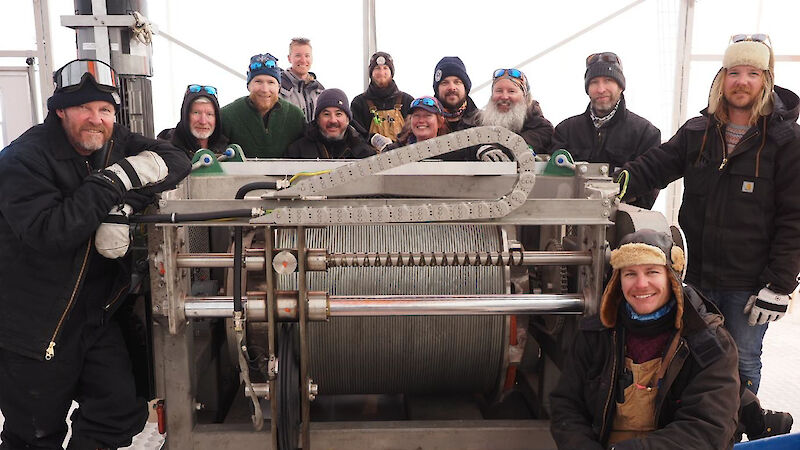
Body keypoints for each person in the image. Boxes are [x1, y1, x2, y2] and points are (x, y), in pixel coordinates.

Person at [0, 59, 191, 449]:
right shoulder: (22, 160)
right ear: (59, 110)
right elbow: (53, 233)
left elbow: (175, 159)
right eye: (84, 108)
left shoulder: (113, 140)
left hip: (93, 314)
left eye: (105, 109)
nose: (96, 119)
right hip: (35, 326)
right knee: (35, 434)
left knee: (119, 409)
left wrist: (125, 205)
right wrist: (113, 182)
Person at [618, 34, 800, 402]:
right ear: (722, 78)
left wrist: (779, 286)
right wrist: (612, 185)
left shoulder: (786, 141)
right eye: (734, 72)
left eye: (752, 73)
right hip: (696, 278)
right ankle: (695, 429)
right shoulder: (697, 132)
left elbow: (795, 218)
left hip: (749, 285)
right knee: (692, 356)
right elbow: (654, 166)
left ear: (766, 79)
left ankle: (731, 433)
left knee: (743, 362)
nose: (742, 81)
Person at [550, 229, 740, 449]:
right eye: (630, 273)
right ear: (617, 281)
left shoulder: (709, 342)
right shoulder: (595, 335)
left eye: (652, 272)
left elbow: (707, 428)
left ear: (672, 278)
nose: (641, 284)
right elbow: (566, 406)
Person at [550, 52, 660, 209]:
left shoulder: (646, 133)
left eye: (608, 81)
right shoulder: (565, 131)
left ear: (621, 86)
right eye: (594, 82)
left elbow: (650, 187)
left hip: (621, 222)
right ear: (587, 89)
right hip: (569, 218)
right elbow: (553, 181)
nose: (601, 89)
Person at [221, 53, 305, 158]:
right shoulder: (227, 116)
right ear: (248, 85)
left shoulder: (295, 117)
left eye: (271, 82)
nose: (265, 89)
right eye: (258, 82)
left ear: (279, 87)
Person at [476, 68, 554, 160]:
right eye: (499, 91)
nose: (504, 96)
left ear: (525, 97)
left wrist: (494, 147)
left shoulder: (542, 129)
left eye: (511, 91)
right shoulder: (477, 122)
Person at [286, 88, 375, 159]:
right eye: (326, 114)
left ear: (348, 119)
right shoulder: (297, 151)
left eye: (338, 114)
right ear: (317, 119)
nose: (333, 120)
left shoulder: (364, 153)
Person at [350, 51, 414, 142]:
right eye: (377, 68)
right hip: (371, 155)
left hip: (403, 154)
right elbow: (356, 136)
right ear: (371, 73)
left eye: (385, 68)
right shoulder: (359, 103)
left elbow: (413, 133)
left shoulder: (407, 101)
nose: (381, 72)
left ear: (391, 72)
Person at [157, 84, 229, 157]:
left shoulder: (227, 152)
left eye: (209, 114)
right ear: (185, 116)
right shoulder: (166, 151)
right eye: (196, 113)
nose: (203, 121)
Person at [431, 56, 480, 160]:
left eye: (457, 82)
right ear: (437, 89)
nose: (451, 87)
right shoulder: (423, 122)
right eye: (445, 83)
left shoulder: (483, 122)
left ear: (465, 87)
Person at [280, 37, 324, 122]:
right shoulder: (279, 88)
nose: (303, 60)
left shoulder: (320, 91)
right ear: (289, 58)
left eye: (307, 56)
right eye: (298, 55)